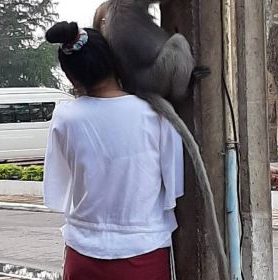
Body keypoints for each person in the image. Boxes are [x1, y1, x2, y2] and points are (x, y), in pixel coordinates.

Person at [43, 21, 182, 280]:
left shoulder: (65, 117)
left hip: (83, 251)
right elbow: (175, 187)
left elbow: (58, 186)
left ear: (71, 77)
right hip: (144, 250)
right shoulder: (155, 114)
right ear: (113, 61)